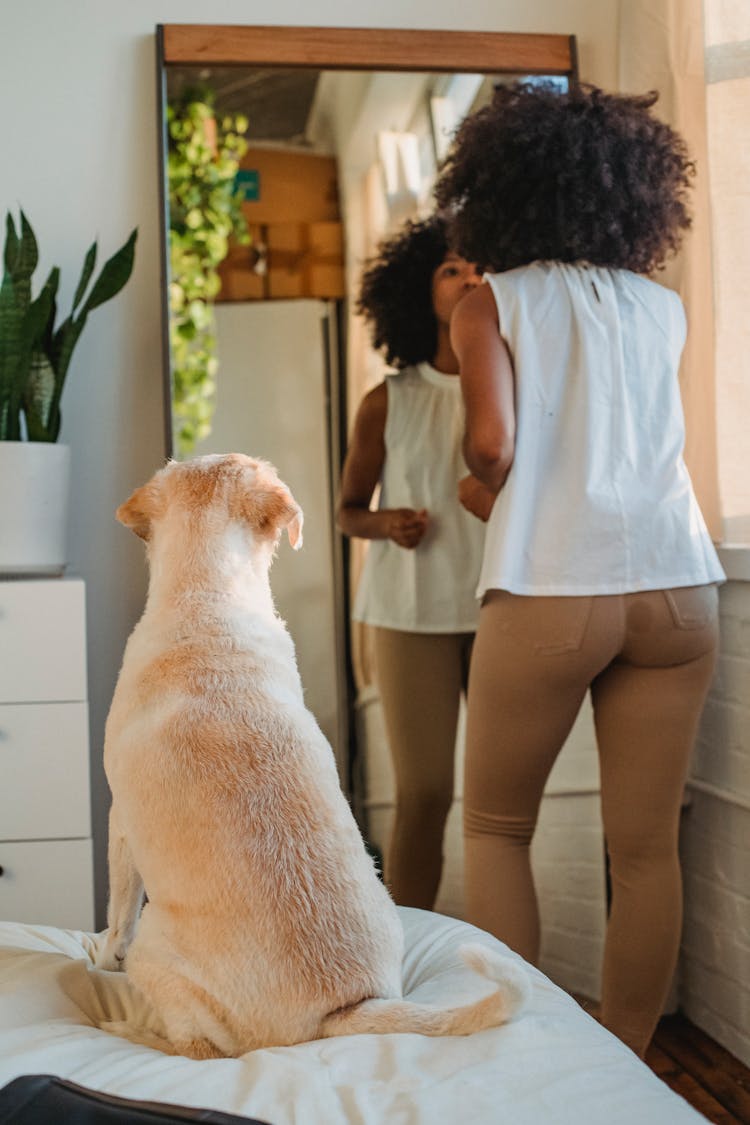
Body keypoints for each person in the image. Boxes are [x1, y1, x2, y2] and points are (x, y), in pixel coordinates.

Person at [434, 81, 726, 1057]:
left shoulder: (491, 301)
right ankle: (630, 1064)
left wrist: (483, 498)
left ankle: (525, 1064)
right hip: (678, 586)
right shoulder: (663, 306)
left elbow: (492, 448)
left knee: (498, 830)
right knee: (645, 852)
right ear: (632, 194)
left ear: (496, 189)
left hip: (556, 587)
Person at [337, 215, 485, 910]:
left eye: (479, 268)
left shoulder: (515, 386)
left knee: (497, 802)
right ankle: (402, 949)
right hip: (409, 614)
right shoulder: (386, 401)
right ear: (415, 294)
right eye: (450, 270)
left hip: (500, 608)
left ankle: (496, 966)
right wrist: (386, 523)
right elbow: (346, 511)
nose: (470, 280)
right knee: (426, 792)